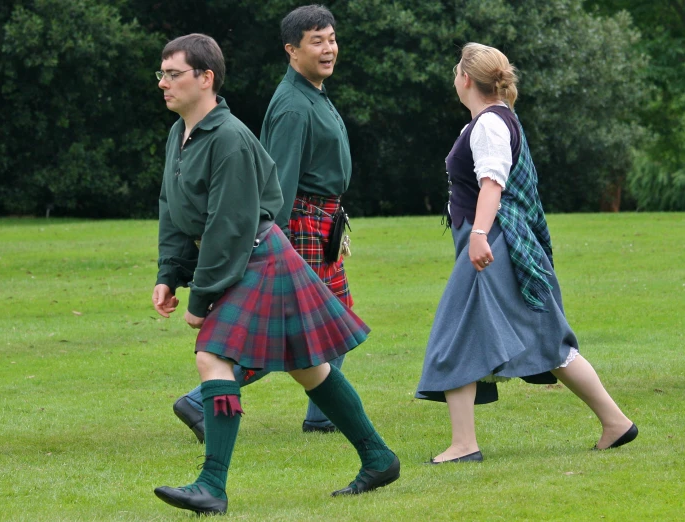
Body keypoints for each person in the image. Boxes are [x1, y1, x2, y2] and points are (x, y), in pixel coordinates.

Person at [151, 34, 399, 515]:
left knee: (214, 357)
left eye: (172, 74)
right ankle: (379, 456)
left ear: (206, 78)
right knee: (308, 366)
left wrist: (200, 300)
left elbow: (229, 225)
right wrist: (169, 272)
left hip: (258, 256)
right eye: (161, 74)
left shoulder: (229, 139)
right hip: (251, 257)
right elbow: (173, 209)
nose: (163, 83)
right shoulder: (179, 134)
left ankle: (212, 486)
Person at [416, 43, 637, 463]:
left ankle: (464, 445)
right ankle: (616, 422)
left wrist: (479, 233)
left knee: (454, 334)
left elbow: (492, 184)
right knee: (544, 335)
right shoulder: (492, 121)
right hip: (499, 245)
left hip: (495, 246)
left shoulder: (489, 126)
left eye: (456, 71)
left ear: (465, 79)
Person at [173, 4, 355, 440]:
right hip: (300, 226)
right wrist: (284, 245)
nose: (328, 48)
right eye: (317, 41)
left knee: (336, 319)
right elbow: (279, 183)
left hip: (322, 223)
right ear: (292, 50)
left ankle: (321, 416)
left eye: (331, 38)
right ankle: (200, 401)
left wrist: (337, 229)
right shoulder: (293, 106)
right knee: (289, 331)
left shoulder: (314, 92)